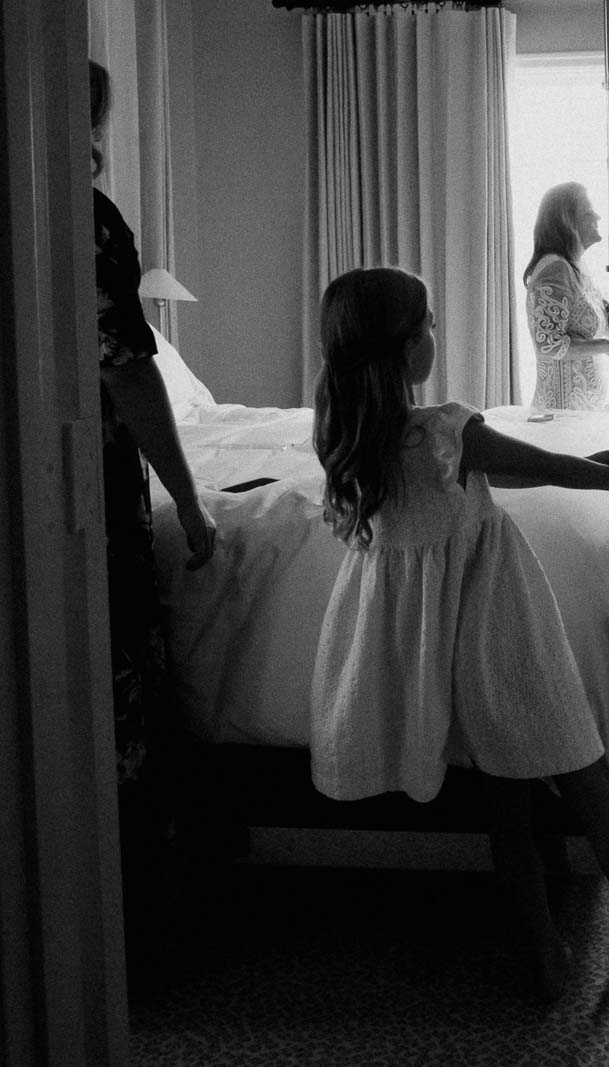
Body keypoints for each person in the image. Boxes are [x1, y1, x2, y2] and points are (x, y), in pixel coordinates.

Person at [309, 267, 609, 1020]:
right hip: (503, 635)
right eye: (431, 325)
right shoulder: (446, 428)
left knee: (505, 803)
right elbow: (545, 469)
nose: (437, 337)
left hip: (439, 649)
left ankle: (545, 949)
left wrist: (591, 468)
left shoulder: (351, 438)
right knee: (592, 792)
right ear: (408, 346)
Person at [90, 59, 218, 973]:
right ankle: (132, 919)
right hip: (89, 493)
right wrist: (190, 503)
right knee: (119, 675)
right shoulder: (90, 226)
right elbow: (129, 371)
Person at [522, 181, 609, 413]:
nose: (598, 217)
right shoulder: (556, 269)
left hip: (583, 411)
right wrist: (605, 347)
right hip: (560, 416)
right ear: (567, 222)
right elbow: (548, 345)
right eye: (589, 212)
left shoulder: (576, 269)